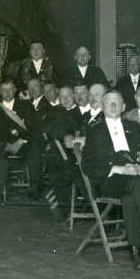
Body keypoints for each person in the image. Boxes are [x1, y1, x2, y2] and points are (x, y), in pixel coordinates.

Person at [81, 90, 140, 270]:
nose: (112, 106)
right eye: (108, 103)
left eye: (116, 103)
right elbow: (87, 165)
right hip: (109, 182)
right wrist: (114, 168)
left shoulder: (133, 127)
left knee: (129, 196)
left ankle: (135, 252)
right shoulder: (95, 131)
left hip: (133, 180)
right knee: (136, 183)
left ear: (123, 107)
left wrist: (139, 168)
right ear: (102, 107)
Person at [41, 85, 84, 222]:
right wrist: (66, 134)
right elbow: (50, 127)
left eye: (69, 96)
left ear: (74, 96)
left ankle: (79, 208)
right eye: (62, 97)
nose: (65, 99)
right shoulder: (55, 111)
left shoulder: (81, 111)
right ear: (58, 98)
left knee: (68, 170)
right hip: (61, 151)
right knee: (55, 171)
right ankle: (68, 212)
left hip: (79, 151)